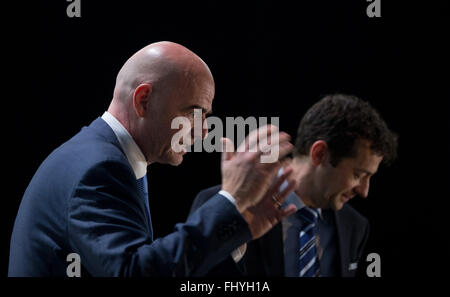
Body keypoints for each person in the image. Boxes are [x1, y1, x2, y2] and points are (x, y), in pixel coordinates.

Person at [8, 41, 299, 277]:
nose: (205, 129)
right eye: (194, 112)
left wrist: (238, 225)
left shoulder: (103, 156)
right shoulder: (98, 168)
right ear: (143, 100)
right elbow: (134, 272)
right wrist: (230, 201)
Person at [190, 94, 398, 277]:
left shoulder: (354, 225)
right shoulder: (221, 205)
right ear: (319, 154)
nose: (364, 191)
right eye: (358, 174)